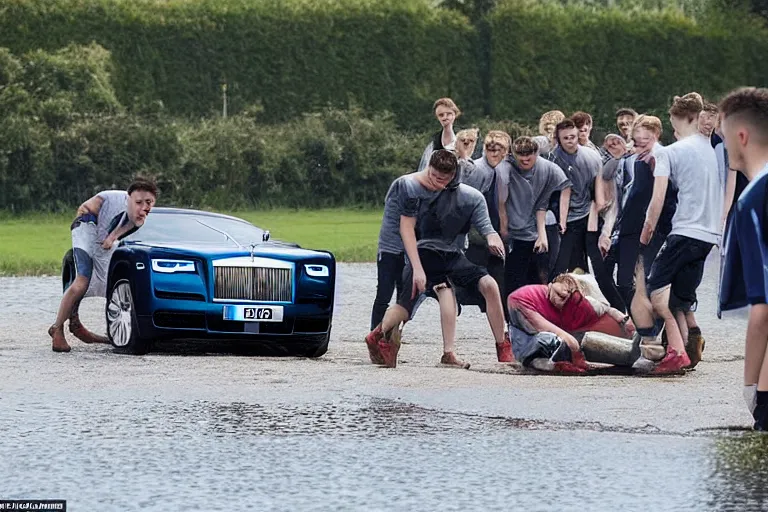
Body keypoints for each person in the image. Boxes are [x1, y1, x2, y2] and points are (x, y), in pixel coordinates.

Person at [365, 149, 512, 368]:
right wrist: (416, 268)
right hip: (409, 250)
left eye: (444, 180)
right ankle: (379, 334)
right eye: (434, 178)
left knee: (484, 285)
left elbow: (485, 226)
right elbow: (406, 228)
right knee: (403, 302)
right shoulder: (411, 187)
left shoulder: (468, 196)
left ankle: (500, 346)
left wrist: (493, 237)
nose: (438, 184)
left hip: (449, 255)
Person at [631, 93, 722, 374]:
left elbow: (657, 202)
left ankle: (673, 352)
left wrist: (646, 233)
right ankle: (685, 348)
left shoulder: (669, 151)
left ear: (681, 118)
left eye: (671, 118)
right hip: (708, 236)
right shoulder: (711, 148)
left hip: (684, 231)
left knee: (652, 292)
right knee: (680, 297)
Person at [48, 178, 158, 352]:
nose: (143, 207)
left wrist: (111, 238)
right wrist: (93, 234)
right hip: (86, 226)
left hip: (102, 238)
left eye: (149, 203)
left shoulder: (139, 220)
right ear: (128, 199)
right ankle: (57, 327)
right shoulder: (110, 199)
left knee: (112, 285)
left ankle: (82, 325)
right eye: (138, 202)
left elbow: (121, 231)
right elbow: (84, 209)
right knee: (82, 280)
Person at [717, 87, 768, 430]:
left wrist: (750, 388)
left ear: (742, 135)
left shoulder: (752, 199)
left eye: (723, 137)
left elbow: (763, 308)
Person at [600, 116, 676, 308]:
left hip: (649, 228)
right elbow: (631, 196)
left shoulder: (658, 158)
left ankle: (646, 326)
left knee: (642, 279)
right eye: (636, 142)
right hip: (630, 226)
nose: (639, 147)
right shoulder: (638, 160)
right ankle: (630, 322)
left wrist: (648, 229)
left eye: (644, 142)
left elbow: (659, 198)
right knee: (623, 279)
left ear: (656, 136)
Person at [507, 273, 635, 373]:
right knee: (547, 341)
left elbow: (604, 308)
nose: (560, 300)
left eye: (564, 298)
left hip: (581, 333)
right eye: (558, 295)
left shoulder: (578, 303)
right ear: (550, 286)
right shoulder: (523, 297)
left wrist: (622, 318)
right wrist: (571, 344)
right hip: (533, 341)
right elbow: (542, 327)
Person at [499, 136, 570, 300]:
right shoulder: (506, 167)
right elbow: (501, 201)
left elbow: (565, 186)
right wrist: (503, 227)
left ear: (536, 154)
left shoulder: (548, 168)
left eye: (528, 158)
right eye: (520, 158)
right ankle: (513, 318)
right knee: (514, 279)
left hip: (545, 225)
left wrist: (562, 219)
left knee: (543, 277)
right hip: (516, 230)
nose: (524, 161)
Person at [546, 119, 602, 278]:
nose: (570, 141)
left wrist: (595, 213)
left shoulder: (591, 156)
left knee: (583, 263)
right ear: (559, 139)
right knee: (561, 262)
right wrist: (562, 221)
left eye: (573, 137)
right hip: (562, 214)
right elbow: (564, 191)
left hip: (586, 212)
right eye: (565, 138)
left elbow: (598, 187)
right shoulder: (554, 159)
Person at [460, 130, 510, 309]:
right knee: (467, 279)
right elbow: (467, 202)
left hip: (494, 229)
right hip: (477, 232)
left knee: (499, 279)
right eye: (490, 150)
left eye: (500, 150)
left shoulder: (501, 169)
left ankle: (503, 323)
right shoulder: (479, 170)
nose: (495, 154)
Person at [417, 98, 480, 172]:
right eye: (441, 115)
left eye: (448, 114)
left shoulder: (466, 137)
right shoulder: (434, 143)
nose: (445, 118)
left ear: (455, 115)